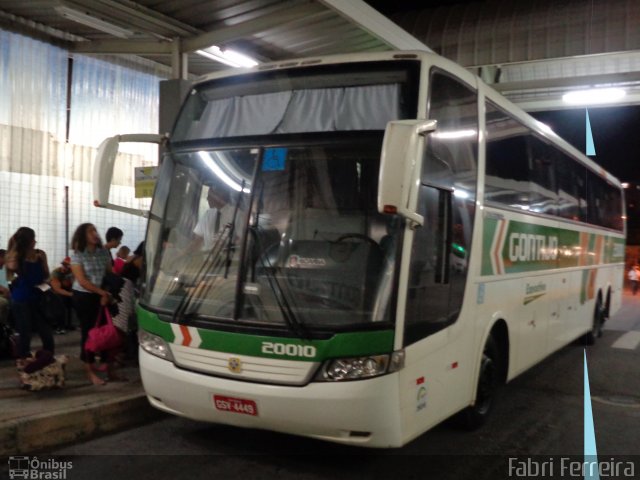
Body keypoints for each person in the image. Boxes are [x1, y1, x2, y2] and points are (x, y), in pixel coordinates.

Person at [69, 223, 114, 385]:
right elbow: (82, 281)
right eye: (90, 231)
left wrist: (106, 293)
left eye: (95, 230)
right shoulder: (77, 255)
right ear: (83, 235)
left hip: (101, 295)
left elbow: (110, 274)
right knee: (89, 332)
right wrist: (102, 293)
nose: (95, 234)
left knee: (107, 331)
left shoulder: (103, 252)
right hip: (84, 296)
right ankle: (89, 370)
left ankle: (108, 367)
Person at [5, 227, 54, 364]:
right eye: (32, 239)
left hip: (38, 298)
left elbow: (47, 276)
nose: (35, 241)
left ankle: (48, 358)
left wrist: (45, 285)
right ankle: (23, 362)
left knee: (46, 332)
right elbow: (11, 266)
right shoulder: (16, 258)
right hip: (21, 300)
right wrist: (17, 245)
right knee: (25, 333)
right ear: (28, 241)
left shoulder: (40, 255)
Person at [50, 257, 75, 333]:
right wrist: (71, 294)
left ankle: (69, 324)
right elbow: (57, 289)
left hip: (66, 291)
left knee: (75, 302)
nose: (65, 266)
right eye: (64, 264)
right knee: (60, 303)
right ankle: (59, 327)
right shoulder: (56, 273)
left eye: (67, 265)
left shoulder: (73, 272)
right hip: (54, 292)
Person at [0, 249, 11, 325]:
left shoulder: (4, 268)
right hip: (2, 293)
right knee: (3, 303)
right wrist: (3, 289)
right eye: (6, 258)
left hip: (5, 293)